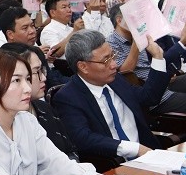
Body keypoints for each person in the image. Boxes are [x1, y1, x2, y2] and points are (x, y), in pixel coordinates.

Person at [0, 51, 125, 175]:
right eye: (16, 80)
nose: (27, 88)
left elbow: (56, 164)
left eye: (27, 79)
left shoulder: (27, 121)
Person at [52, 30, 169, 160]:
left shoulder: (115, 80)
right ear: (83, 66)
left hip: (148, 155)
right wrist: (133, 149)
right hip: (113, 164)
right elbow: (83, 138)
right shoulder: (68, 97)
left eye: (113, 55)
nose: (114, 65)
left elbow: (149, 97)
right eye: (106, 60)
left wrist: (158, 56)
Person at [106, 3, 186, 118]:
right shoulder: (111, 42)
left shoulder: (143, 36)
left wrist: (163, 74)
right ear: (119, 21)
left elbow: (155, 60)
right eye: (132, 19)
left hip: (159, 80)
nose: (137, 22)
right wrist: (136, 43)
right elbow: (125, 72)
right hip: (146, 90)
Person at [1, 43, 79, 159]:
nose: (43, 78)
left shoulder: (44, 108)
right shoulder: (3, 123)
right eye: (36, 72)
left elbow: (69, 151)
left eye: (42, 70)